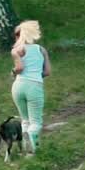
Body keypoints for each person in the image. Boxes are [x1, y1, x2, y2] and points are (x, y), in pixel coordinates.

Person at [9, 20, 50, 154]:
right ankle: (33, 145)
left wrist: (13, 72)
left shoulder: (16, 51)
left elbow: (19, 68)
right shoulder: (41, 50)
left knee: (25, 119)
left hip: (18, 86)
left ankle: (27, 148)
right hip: (34, 86)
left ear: (18, 36)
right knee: (36, 122)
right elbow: (47, 72)